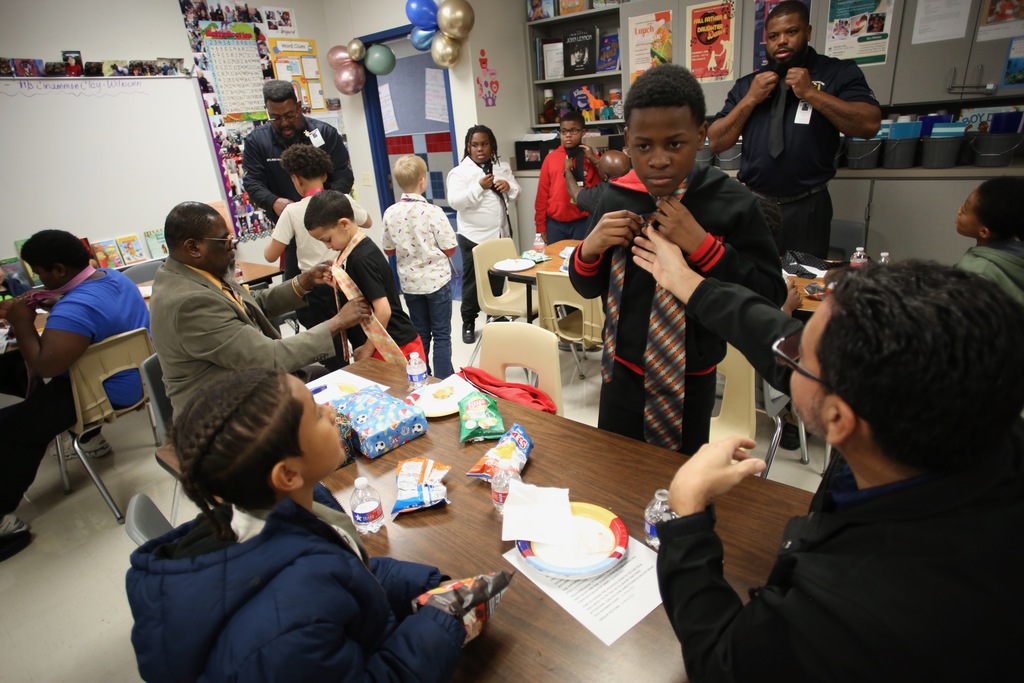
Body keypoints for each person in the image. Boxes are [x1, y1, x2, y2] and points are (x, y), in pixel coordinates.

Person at [632, 227, 1024, 681]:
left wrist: (686, 516)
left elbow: (724, 662)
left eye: (797, 354)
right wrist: (688, 283)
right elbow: (776, 335)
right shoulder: (963, 413)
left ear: (839, 420)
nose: (786, 349)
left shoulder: (855, 613)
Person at [126, 368, 467, 682]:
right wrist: (441, 623)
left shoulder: (277, 511)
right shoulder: (289, 627)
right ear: (287, 474)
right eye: (317, 414)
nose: (333, 411)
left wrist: (424, 584)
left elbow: (345, 572)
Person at [568, 63, 785, 455]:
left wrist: (703, 246)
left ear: (702, 134)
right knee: (614, 474)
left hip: (691, 378)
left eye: (675, 143)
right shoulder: (616, 196)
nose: (658, 160)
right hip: (620, 374)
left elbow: (769, 294)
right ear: (628, 142)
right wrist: (589, 248)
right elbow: (586, 285)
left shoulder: (733, 202)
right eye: (643, 146)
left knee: (679, 486)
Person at [0, 230, 150, 562]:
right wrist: (48, 301)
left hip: (100, 392)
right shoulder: (111, 277)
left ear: (59, 269)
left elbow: (42, 364)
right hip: (133, 377)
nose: (37, 280)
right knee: (10, 371)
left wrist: (22, 321)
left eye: (40, 273)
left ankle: (3, 519)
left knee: (12, 429)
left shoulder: (77, 308)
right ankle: (90, 439)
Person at [150, 202, 370, 415]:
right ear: (194, 248)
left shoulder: (201, 272)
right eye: (225, 241)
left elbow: (252, 304)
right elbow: (269, 357)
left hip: (245, 381)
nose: (233, 246)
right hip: (221, 410)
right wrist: (338, 322)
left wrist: (305, 281)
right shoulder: (189, 302)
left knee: (325, 379)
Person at [707, 1, 881, 257]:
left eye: (791, 32)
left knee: (805, 283)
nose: (782, 41)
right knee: (753, 279)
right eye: (774, 36)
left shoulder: (837, 73)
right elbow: (716, 141)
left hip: (808, 206)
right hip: (756, 204)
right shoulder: (749, 85)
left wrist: (811, 93)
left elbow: (869, 124)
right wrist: (750, 100)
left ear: (808, 32)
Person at [263, 144, 373, 370]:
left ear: (295, 179)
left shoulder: (291, 211)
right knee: (363, 344)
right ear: (324, 174)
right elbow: (368, 221)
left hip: (318, 288)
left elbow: (270, 255)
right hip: (350, 283)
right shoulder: (342, 200)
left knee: (331, 351)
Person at [243, 80, 355, 279]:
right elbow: (252, 183)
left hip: (330, 228)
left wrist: (325, 205)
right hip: (292, 236)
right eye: (275, 118)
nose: (284, 123)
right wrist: (273, 202)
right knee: (300, 293)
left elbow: (344, 176)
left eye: (289, 115)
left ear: (298, 106)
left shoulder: (324, 134)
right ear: (266, 111)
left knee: (346, 287)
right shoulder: (257, 142)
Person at [305, 190, 425, 364]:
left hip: (393, 345)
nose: (328, 246)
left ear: (344, 224)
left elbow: (383, 310)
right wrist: (340, 285)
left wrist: (368, 349)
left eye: (328, 239)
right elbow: (364, 293)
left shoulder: (361, 258)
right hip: (384, 342)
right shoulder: (357, 249)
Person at [382, 155, 458, 377]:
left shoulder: (390, 212)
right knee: (442, 334)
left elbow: (388, 250)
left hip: (411, 285)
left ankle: (421, 377)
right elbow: (451, 248)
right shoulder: (433, 211)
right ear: (423, 181)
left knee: (421, 334)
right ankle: (444, 382)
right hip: (436, 282)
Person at [446, 125, 520, 344]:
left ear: (492, 145)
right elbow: (455, 202)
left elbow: (516, 192)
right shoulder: (460, 172)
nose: (480, 149)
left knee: (498, 278)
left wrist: (508, 186)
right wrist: (479, 187)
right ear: (468, 147)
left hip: (500, 234)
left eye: (484, 144)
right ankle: (468, 321)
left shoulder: (501, 166)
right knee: (473, 282)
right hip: (473, 236)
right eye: (475, 145)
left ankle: (495, 316)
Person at [954, 176, 1024, 305]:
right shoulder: (1018, 249)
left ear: (984, 232)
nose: (959, 210)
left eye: (964, 210)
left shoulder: (978, 275)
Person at [535, 111, 599, 244]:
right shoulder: (551, 158)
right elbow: (542, 195)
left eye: (574, 131)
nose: (568, 135)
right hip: (555, 224)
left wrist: (593, 159)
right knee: (554, 262)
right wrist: (540, 225)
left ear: (583, 132)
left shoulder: (589, 156)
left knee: (580, 261)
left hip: (583, 222)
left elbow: (600, 190)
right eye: (564, 132)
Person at [564, 148, 632, 220]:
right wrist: (593, 158)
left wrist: (567, 170)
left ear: (605, 177)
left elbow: (575, 192)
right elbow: (611, 169)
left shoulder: (601, 194)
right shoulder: (636, 187)